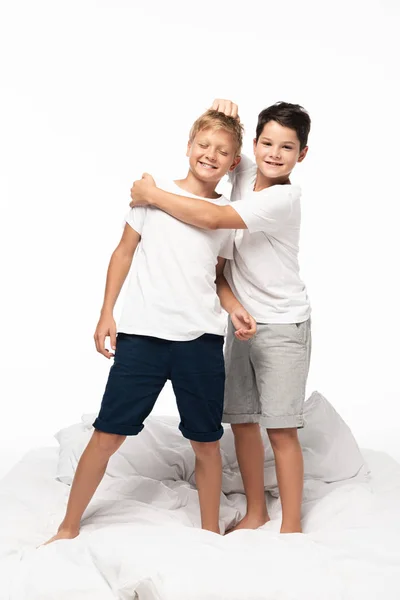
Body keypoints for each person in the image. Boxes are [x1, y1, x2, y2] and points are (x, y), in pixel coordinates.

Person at [44, 109, 257, 544]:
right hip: (143, 339)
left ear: (234, 162)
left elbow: (215, 277)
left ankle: (209, 532)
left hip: (199, 342)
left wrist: (233, 306)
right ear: (188, 145)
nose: (210, 155)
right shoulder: (150, 196)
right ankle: (68, 526)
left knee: (206, 442)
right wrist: (107, 312)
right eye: (203, 145)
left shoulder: (225, 217)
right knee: (107, 434)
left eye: (222, 151)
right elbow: (123, 253)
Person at [129, 99, 312, 534]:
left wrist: (151, 194)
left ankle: (292, 528)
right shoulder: (248, 169)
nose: (274, 153)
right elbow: (217, 150)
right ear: (254, 144)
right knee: (243, 422)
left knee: (281, 429)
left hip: (283, 324)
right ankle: (256, 511)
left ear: (302, 154)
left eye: (287, 148)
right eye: (266, 142)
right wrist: (227, 109)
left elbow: (212, 216)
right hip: (240, 320)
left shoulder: (285, 198)